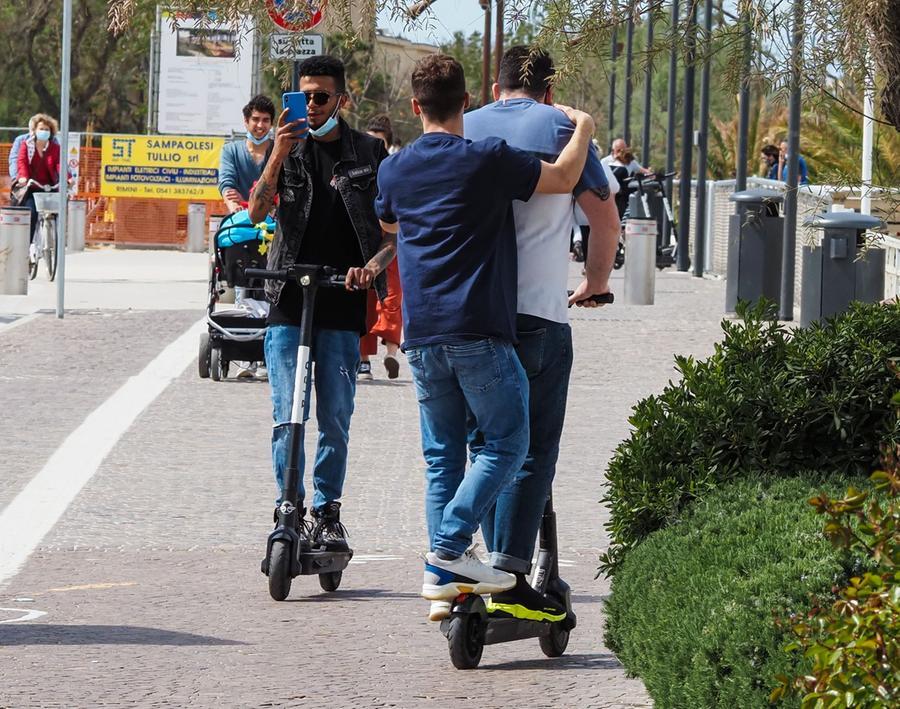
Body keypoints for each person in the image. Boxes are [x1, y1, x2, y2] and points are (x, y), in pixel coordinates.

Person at [374, 54, 595, 605]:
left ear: (414, 106)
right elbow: (565, 177)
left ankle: (444, 575)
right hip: (477, 328)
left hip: (421, 332)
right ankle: (448, 551)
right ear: (467, 103)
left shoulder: (394, 168)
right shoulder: (487, 159)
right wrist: (584, 125)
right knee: (511, 444)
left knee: (443, 455)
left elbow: (387, 221)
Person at [462, 45, 619, 622]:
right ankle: (510, 570)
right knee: (531, 451)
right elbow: (603, 216)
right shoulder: (563, 129)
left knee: (484, 446)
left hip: (470, 315)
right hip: (538, 316)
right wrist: (595, 281)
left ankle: (476, 561)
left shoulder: (464, 126)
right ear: (551, 91)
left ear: (494, 86)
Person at [247, 56, 395, 551]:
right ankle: (288, 501)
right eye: (304, 96)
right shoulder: (285, 147)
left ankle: (327, 511)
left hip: (341, 298)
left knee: (335, 416)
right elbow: (256, 210)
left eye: (321, 97)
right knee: (289, 410)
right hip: (289, 296)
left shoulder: (370, 153)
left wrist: (370, 269)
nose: (311, 106)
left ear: (342, 100)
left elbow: (394, 234)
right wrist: (276, 154)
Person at [358, 115, 403, 380]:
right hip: (363, 241)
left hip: (392, 241)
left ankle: (391, 354)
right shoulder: (354, 167)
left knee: (391, 298)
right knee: (364, 299)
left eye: (379, 143)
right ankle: (363, 361)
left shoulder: (396, 169)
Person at [219, 95, 276, 213]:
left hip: (273, 219)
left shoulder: (279, 151)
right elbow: (227, 184)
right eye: (255, 119)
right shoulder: (231, 151)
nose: (260, 125)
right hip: (240, 219)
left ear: (271, 124)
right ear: (246, 121)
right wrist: (234, 206)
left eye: (265, 120)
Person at [15, 114, 62, 242]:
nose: (44, 132)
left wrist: (66, 178)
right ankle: (28, 246)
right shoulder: (27, 145)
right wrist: (23, 177)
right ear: (34, 130)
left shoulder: (55, 148)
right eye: (41, 128)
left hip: (48, 187)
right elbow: (21, 161)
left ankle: (56, 243)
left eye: (47, 129)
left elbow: (60, 164)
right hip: (31, 186)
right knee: (32, 214)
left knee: (58, 214)